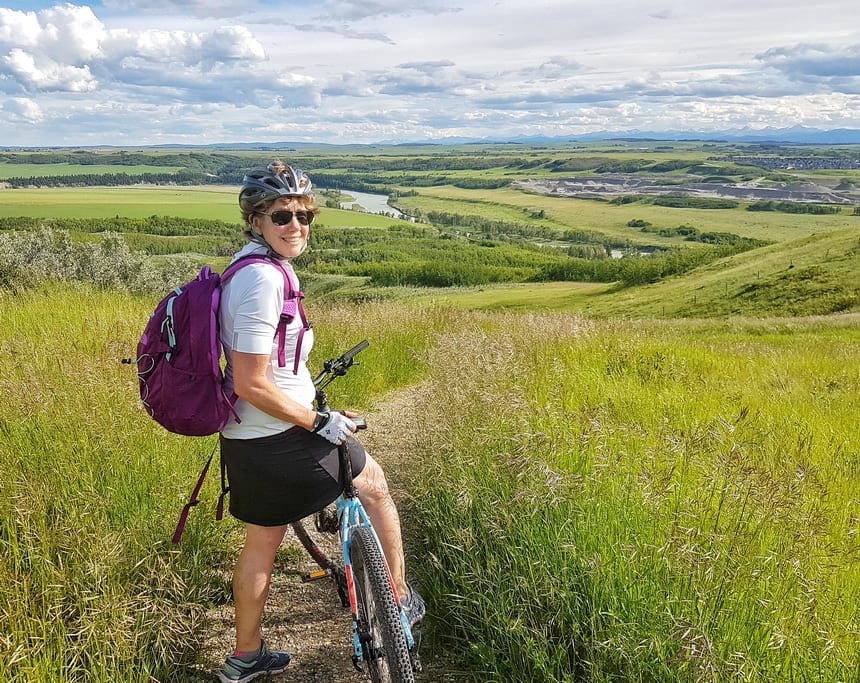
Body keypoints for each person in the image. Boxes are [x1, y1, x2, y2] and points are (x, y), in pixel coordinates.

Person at [216, 162, 424, 683]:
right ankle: (397, 602)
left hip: (246, 437)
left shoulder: (245, 267)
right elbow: (251, 380)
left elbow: (277, 369)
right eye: (281, 215)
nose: (296, 226)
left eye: (304, 216)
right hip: (283, 434)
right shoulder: (264, 280)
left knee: (263, 541)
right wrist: (318, 421)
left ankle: (245, 658)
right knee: (374, 486)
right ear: (254, 220)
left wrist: (321, 408)